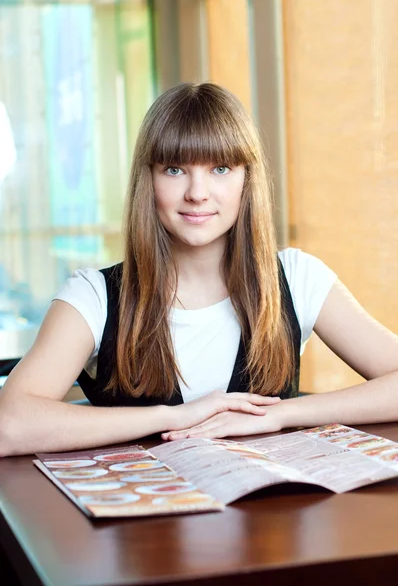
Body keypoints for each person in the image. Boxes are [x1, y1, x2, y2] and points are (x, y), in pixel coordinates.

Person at [0, 82, 397, 457]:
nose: (197, 193)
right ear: (148, 179)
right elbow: (9, 424)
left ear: (247, 179)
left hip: (269, 526)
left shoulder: (296, 277)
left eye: (220, 169)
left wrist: (278, 414)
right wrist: (172, 418)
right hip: (141, 526)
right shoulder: (93, 296)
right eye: (174, 169)